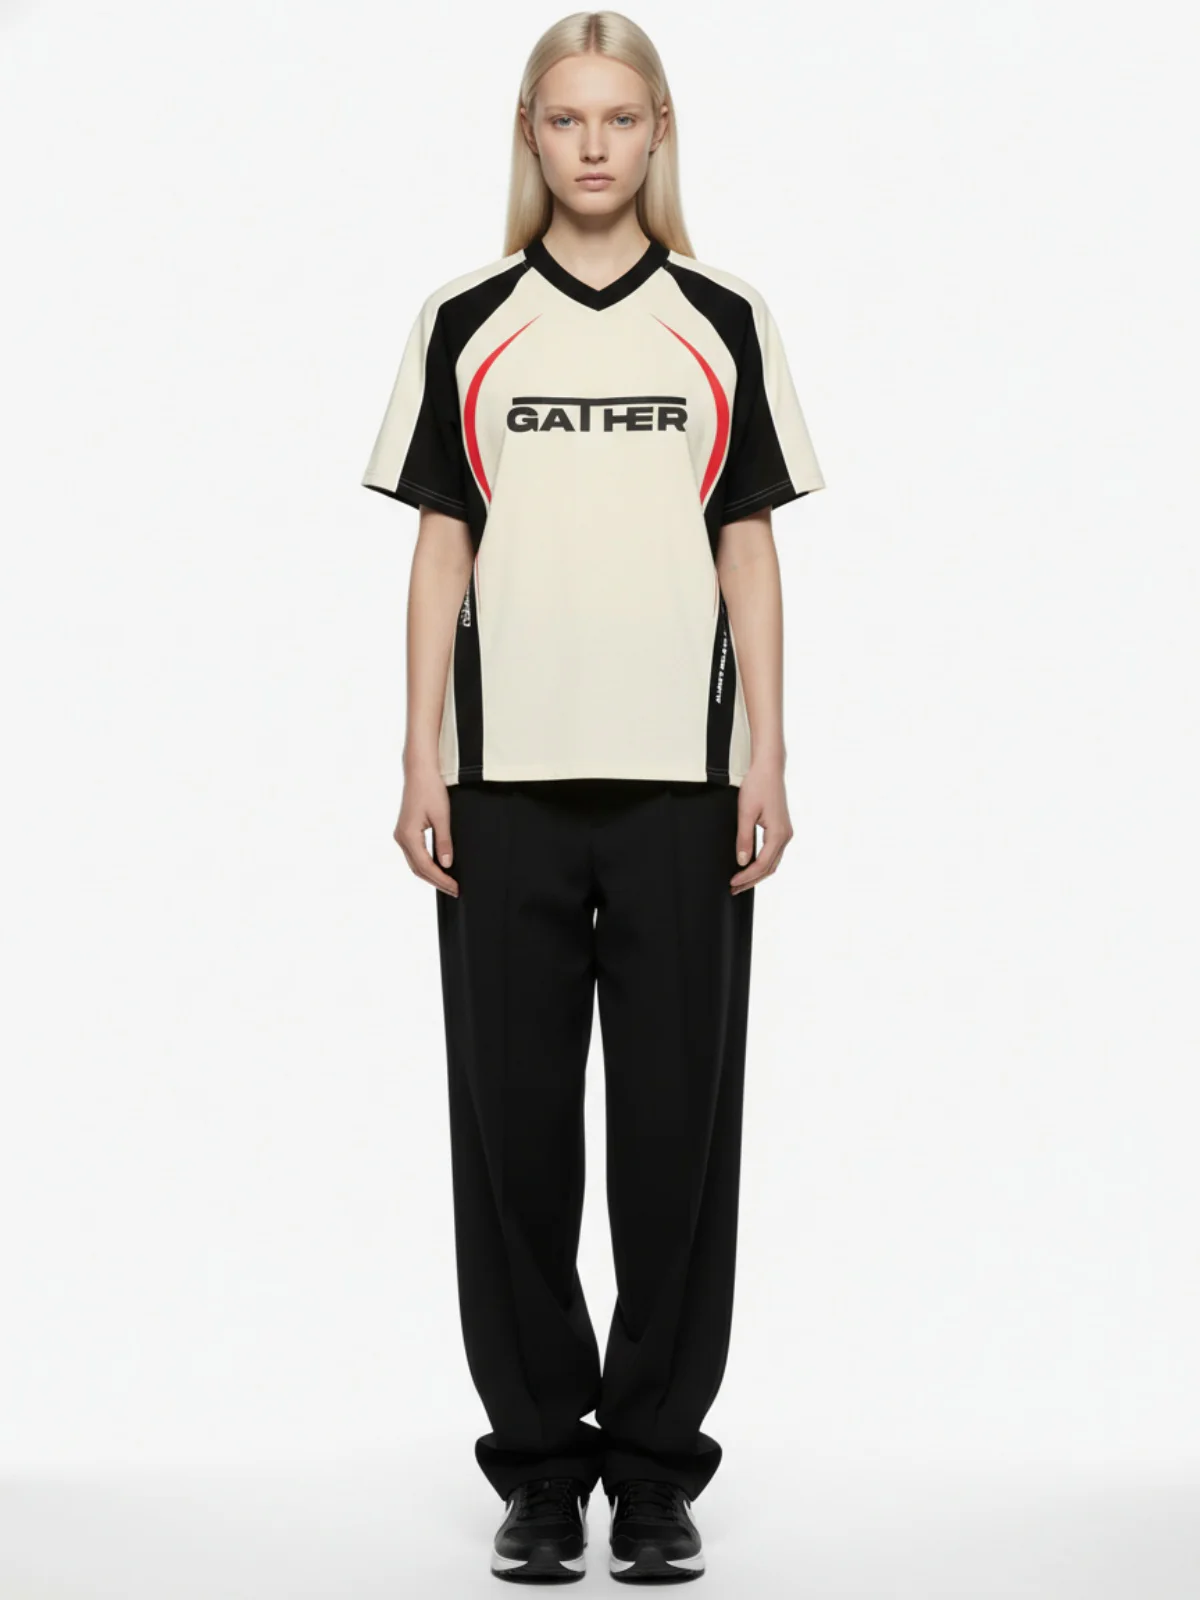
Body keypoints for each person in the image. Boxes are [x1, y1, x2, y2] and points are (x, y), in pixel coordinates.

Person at [360, 10, 826, 1584]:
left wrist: (769, 750)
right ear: (531, 134)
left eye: (621, 118)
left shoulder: (724, 318)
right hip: (503, 791)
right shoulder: (467, 319)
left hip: (684, 793)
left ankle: (658, 1471)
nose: (594, 145)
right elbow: (442, 543)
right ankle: (543, 1473)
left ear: (658, 132)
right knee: (515, 1141)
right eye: (566, 119)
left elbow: (748, 541)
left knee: (675, 1143)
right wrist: (419, 753)